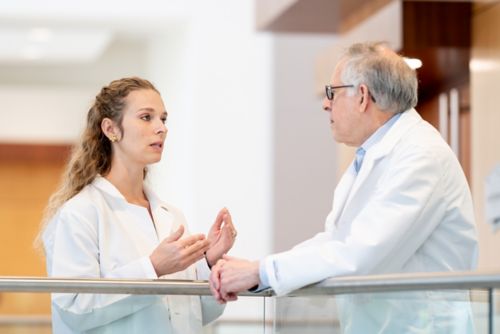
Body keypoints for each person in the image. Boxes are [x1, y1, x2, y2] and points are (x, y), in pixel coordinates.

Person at [209, 42, 478, 332]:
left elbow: (360, 255)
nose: (326, 103)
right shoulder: (374, 154)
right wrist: (258, 268)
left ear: (362, 96)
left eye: (332, 93)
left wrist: (261, 272)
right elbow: (335, 241)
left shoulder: (421, 155)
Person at [38, 77, 236, 333]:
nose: (161, 128)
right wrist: (152, 268)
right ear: (111, 129)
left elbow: (193, 315)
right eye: (146, 117)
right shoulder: (80, 214)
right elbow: (75, 309)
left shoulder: (171, 217)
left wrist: (209, 263)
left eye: (163, 119)